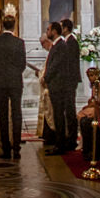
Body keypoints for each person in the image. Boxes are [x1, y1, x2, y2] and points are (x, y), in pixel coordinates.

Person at [0, 13, 26, 160]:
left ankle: (6, 149)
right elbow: (22, 64)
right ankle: (16, 149)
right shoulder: (19, 42)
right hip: (15, 82)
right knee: (16, 114)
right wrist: (15, 74)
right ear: (14, 25)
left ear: (1, 25)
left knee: (3, 115)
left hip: (0, 81)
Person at [42, 21, 69, 153]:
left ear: (54, 31)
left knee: (59, 115)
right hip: (55, 85)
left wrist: (46, 78)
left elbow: (56, 65)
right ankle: (59, 144)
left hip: (58, 85)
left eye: (48, 30)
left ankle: (60, 145)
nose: (47, 32)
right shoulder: (56, 45)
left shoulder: (60, 45)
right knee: (57, 115)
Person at [61, 18, 82, 152]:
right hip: (68, 80)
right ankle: (70, 137)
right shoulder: (68, 42)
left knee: (70, 109)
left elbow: (69, 63)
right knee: (68, 109)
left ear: (66, 28)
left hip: (69, 80)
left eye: (62, 27)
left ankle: (72, 138)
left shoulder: (71, 42)